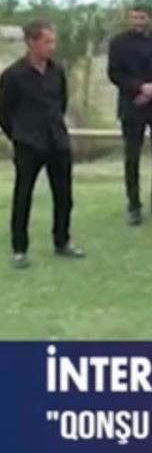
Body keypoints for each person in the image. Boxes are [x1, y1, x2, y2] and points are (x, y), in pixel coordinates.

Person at [0, 20, 85, 269]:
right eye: (47, 41)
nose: (52, 46)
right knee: (23, 195)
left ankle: (62, 241)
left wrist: (56, 127)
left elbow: (61, 102)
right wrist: (18, 135)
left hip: (57, 140)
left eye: (53, 41)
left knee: (64, 195)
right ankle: (19, 249)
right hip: (28, 143)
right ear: (31, 42)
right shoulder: (13, 75)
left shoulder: (57, 70)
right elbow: (3, 111)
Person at [107, 3, 152, 225]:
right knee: (132, 158)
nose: (138, 22)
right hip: (133, 105)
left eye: (142, 18)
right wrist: (139, 87)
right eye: (135, 18)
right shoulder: (118, 42)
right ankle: (134, 205)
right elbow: (114, 73)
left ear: (151, 19)